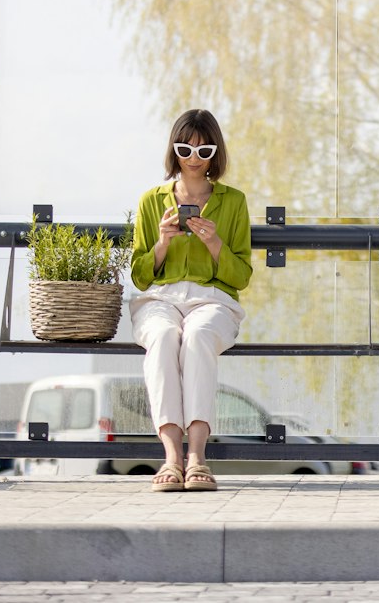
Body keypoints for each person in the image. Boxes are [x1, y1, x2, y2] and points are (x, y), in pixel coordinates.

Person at [127, 107, 252, 492]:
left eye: (204, 151)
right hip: (161, 299)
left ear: (216, 153)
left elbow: (242, 277)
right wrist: (163, 242)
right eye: (185, 149)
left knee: (197, 337)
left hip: (213, 300)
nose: (194, 159)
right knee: (164, 337)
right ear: (174, 151)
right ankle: (171, 457)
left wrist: (214, 242)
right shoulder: (151, 201)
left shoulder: (233, 202)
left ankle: (197, 455)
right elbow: (140, 274)